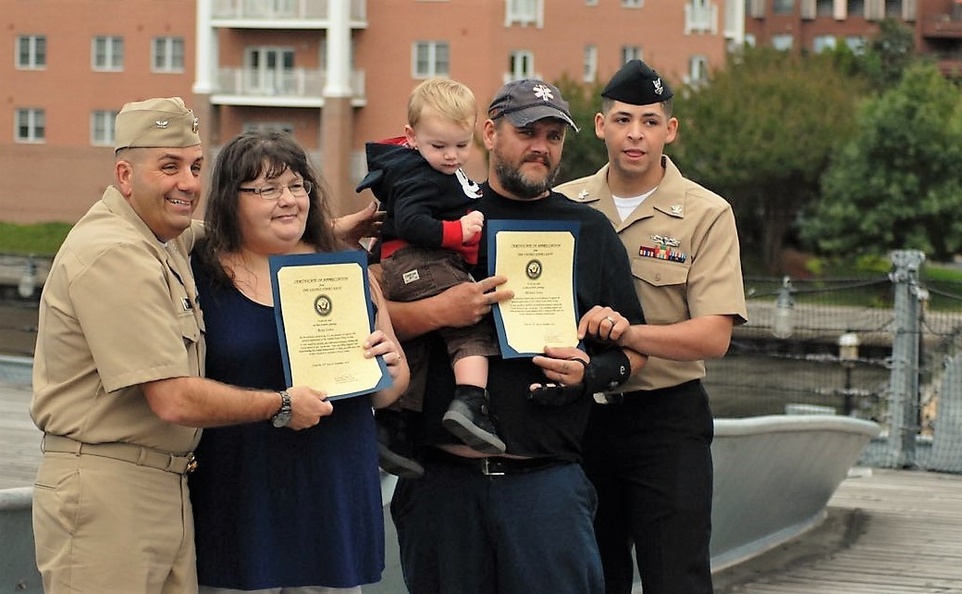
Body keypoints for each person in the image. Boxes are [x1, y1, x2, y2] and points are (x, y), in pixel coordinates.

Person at [30, 97, 333, 594]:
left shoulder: (162, 237)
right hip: (108, 489)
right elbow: (172, 398)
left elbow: (239, 237)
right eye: (168, 167)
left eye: (195, 167)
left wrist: (332, 231)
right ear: (125, 175)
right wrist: (281, 404)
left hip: (164, 485)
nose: (188, 183)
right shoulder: (115, 253)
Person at [386, 78, 647, 594]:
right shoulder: (440, 218)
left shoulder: (589, 230)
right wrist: (442, 310)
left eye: (553, 136)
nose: (541, 146)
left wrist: (589, 372)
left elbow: (635, 349)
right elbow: (374, 317)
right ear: (489, 132)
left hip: (546, 486)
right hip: (442, 485)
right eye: (527, 131)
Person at [557, 59, 749, 594]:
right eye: (622, 120)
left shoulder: (706, 214)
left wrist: (629, 336)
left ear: (671, 129)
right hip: (580, 418)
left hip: (666, 421)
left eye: (648, 120)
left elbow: (713, 336)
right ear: (600, 126)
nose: (634, 133)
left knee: (676, 575)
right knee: (593, 576)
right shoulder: (563, 207)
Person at [188, 129, 409, 593]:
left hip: (332, 492)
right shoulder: (200, 275)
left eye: (297, 186)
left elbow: (388, 391)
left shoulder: (345, 264)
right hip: (242, 499)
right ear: (231, 199)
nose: (288, 200)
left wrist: (389, 364)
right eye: (267, 189)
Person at [357, 77, 504, 477]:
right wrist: (460, 231)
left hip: (396, 266)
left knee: (415, 348)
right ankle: (471, 402)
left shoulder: (410, 171)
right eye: (439, 146)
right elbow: (411, 222)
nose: (451, 156)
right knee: (469, 325)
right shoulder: (421, 175)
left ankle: (394, 430)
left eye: (461, 144)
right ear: (411, 136)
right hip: (422, 261)